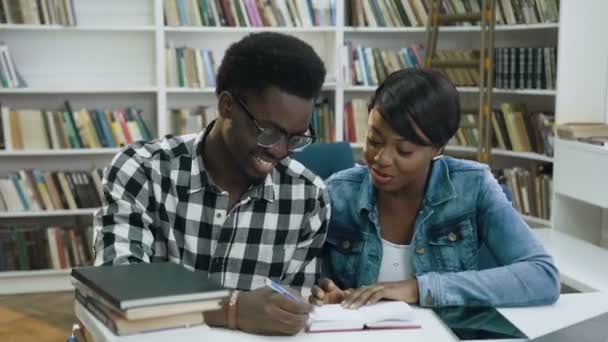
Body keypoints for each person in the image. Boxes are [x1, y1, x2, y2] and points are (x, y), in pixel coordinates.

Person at [93, 32, 329, 335]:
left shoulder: (309, 198)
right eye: (268, 132)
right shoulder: (143, 172)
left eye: (296, 138)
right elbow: (119, 288)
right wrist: (231, 309)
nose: (280, 151)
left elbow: (292, 312)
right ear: (227, 106)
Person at [310, 68, 560, 309]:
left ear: (438, 149)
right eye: (374, 140)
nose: (382, 158)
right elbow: (308, 282)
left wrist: (419, 288)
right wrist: (328, 295)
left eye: (404, 151)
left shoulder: (473, 186)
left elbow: (542, 276)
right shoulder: (338, 193)